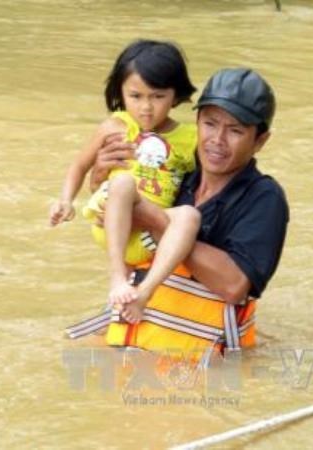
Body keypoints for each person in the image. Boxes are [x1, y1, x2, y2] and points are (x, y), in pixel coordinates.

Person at [75, 67, 289, 361]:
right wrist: (100, 179)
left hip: (199, 362)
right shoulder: (179, 173)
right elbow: (125, 212)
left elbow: (234, 285)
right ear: (197, 123)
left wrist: (155, 221)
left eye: (235, 130)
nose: (217, 139)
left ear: (260, 141)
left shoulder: (264, 198)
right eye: (210, 124)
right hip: (135, 332)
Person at [50, 39, 201, 323]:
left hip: (154, 234)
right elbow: (80, 165)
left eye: (157, 97)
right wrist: (65, 200)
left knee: (190, 216)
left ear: (176, 94)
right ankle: (117, 276)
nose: (146, 108)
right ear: (120, 91)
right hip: (110, 220)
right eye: (136, 96)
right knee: (123, 184)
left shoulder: (191, 138)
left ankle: (143, 293)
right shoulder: (115, 125)